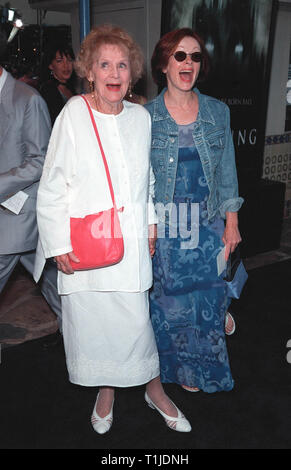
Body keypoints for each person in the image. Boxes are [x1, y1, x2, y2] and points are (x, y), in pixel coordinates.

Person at [35, 25, 192, 434]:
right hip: (86, 248)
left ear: (132, 72)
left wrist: (153, 221)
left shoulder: (140, 118)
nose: (114, 72)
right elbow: (51, 183)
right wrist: (56, 244)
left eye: (122, 64)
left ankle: (153, 389)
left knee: (136, 323)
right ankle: (106, 392)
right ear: (89, 70)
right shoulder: (73, 114)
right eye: (104, 64)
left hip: (132, 243)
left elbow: (149, 181)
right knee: (96, 327)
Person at [145, 28, 243, 393]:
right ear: (164, 64)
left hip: (207, 222)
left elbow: (228, 172)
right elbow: (141, 182)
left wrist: (232, 224)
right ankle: (183, 371)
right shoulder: (146, 117)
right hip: (169, 228)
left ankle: (207, 366)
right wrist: (148, 227)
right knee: (172, 306)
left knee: (207, 299)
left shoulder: (218, 112)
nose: (189, 63)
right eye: (180, 56)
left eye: (196, 56)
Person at [0, 26, 61, 325]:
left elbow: (42, 160)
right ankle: (78, 341)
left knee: (56, 285)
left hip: (21, 213)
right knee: (55, 286)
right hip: (11, 216)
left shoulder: (28, 99)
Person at [39, 42, 76, 125]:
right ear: (50, 65)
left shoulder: (71, 88)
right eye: (60, 61)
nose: (66, 65)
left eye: (69, 60)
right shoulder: (48, 91)